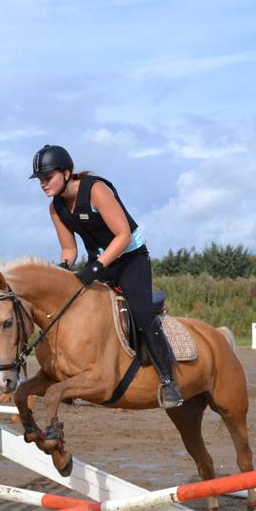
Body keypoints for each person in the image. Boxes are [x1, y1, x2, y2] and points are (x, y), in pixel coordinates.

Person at [29, 144, 183, 407]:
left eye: (47, 177)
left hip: (131, 259)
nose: (43, 184)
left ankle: (169, 381)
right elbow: (69, 249)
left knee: (141, 313)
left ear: (66, 173)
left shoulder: (96, 190)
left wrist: (98, 267)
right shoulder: (56, 209)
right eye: (40, 180)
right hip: (99, 261)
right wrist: (63, 271)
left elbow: (122, 235)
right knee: (72, 308)